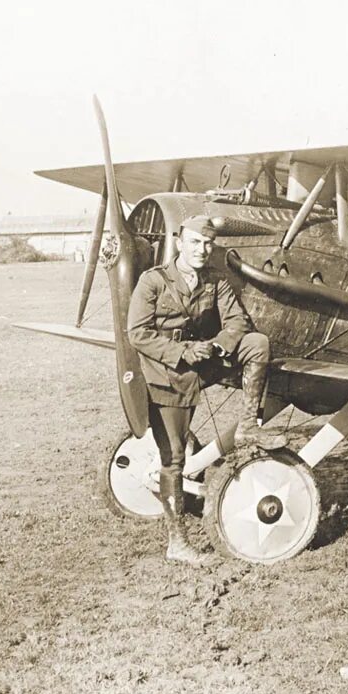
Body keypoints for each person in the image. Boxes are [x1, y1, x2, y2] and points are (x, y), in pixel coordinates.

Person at [127, 215, 289, 564]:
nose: (202, 250)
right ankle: (177, 543)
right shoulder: (152, 281)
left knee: (257, 343)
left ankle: (247, 426)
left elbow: (237, 323)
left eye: (208, 243)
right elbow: (137, 333)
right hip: (167, 371)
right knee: (173, 458)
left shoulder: (216, 281)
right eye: (196, 242)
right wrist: (182, 351)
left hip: (205, 358)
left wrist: (215, 347)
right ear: (180, 242)